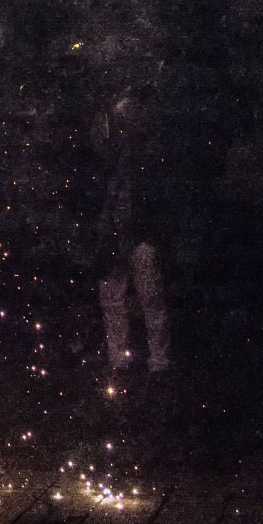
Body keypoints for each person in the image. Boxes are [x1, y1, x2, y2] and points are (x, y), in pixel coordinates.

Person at [91, 93, 172, 378]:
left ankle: (158, 361)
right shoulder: (107, 160)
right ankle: (119, 359)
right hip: (114, 235)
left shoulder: (148, 160)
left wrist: (151, 236)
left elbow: (158, 199)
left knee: (151, 299)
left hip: (139, 235)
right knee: (113, 299)